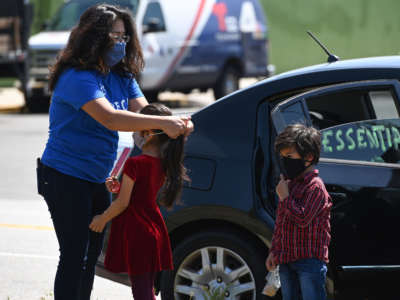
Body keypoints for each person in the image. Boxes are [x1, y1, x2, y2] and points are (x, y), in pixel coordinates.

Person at [37, 4, 193, 300]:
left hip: (98, 177)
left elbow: (144, 115)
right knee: (75, 254)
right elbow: (111, 118)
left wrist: (179, 122)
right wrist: (164, 122)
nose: (120, 43)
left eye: (124, 37)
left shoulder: (122, 76)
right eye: (113, 36)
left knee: (90, 255)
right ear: (93, 37)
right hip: (64, 176)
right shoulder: (77, 77)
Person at [89, 103, 186, 300]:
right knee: (146, 287)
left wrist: (102, 218)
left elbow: (123, 203)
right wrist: (118, 187)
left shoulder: (135, 163)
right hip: (154, 228)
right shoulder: (164, 163)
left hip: (137, 231)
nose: (134, 133)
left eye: (137, 128)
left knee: (140, 291)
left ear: (148, 133)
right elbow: (141, 191)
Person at [265, 124, 332, 300]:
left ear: (308, 157)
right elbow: (281, 222)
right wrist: (274, 250)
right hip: (286, 258)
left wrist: (285, 197)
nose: (284, 161)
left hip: (309, 261)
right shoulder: (290, 183)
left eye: (289, 156)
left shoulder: (315, 187)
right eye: (282, 157)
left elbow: (302, 218)